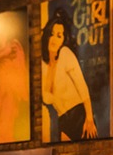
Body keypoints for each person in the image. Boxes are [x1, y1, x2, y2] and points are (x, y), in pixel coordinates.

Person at [41, 9, 97, 141]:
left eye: (59, 36)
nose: (54, 39)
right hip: (63, 120)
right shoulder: (43, 66)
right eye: (52, 34)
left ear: (63, 40)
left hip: (79, 115)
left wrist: (89, 118)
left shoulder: (65, 54)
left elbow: (82, 85)